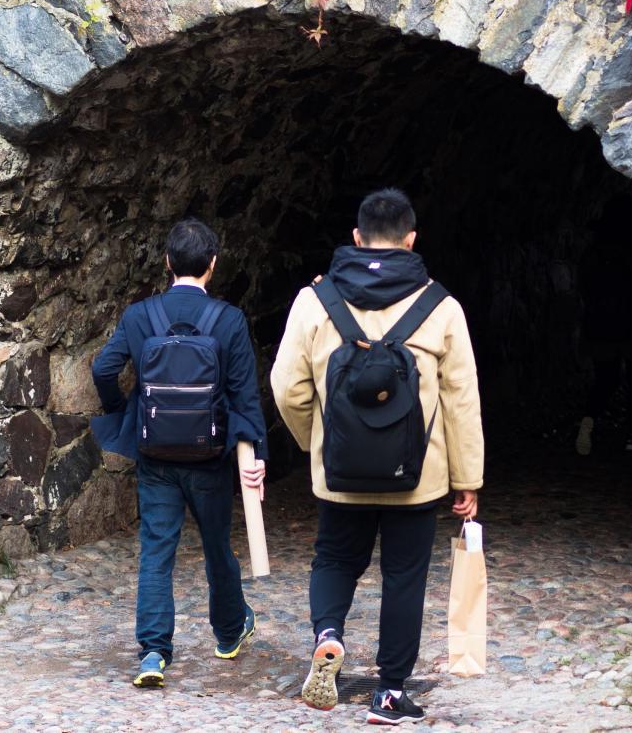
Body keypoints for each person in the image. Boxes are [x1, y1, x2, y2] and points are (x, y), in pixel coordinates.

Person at [272, 188, 483, 726]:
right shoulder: (442, 307)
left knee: (336, 559)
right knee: (405, 575)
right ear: (412, 240)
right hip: (418, 476)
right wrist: (468, 477)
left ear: (357, 238)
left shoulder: (314, 303)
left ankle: (329, 636)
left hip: (340, 472)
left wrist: (316, 442)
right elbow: (461, 398)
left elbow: (286, 388)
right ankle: (390, 692)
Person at [90, 218, 267, 689]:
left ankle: (153, 652)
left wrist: (124, 411)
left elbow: (103, 368)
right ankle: (229, 634)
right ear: (212, 265)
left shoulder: (139, 315)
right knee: (216, 547)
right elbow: (245, 395)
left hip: (155, 457)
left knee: (156, 551)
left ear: (167, 262)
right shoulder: (228, 321)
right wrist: (257, 456)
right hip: (209, 457)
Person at [575, 195, 632, 455]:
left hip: (601, 326)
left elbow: (583, 286)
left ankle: (588, 422)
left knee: (605, 379)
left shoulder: (594, 253)